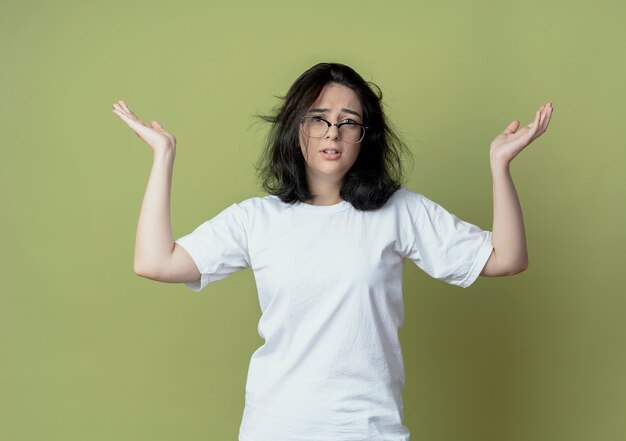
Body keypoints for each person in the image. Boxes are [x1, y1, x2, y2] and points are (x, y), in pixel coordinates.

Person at [112, 62, 553, 441]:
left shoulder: (397, 210)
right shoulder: (256, 219)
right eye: (318, 119)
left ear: (365, 136)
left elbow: (506, 258)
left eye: (348, 121)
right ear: (296, 128)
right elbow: (154, 262)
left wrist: (500, 166)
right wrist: (163, 155)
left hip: (368, 429)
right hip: (275, 428)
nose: (333, 133)